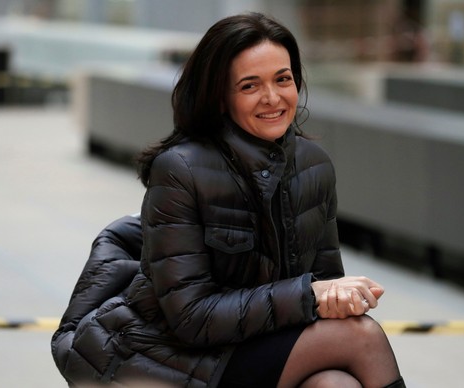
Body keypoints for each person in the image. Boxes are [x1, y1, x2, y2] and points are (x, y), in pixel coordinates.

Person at [51, 12, 405, 388]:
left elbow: (324, 282)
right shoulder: (180, 169)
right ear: (220, 97)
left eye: (282, 79)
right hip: (175, 355)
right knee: (362, 338)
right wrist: (307, 295)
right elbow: (191, 317)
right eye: (250, 86)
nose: (272, 98)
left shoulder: (314, 164)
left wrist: (336, 298)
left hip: (259, 341)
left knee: (336, 385)